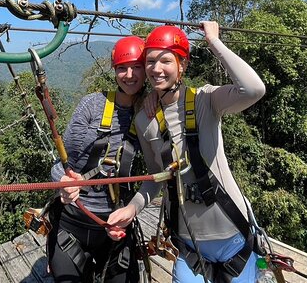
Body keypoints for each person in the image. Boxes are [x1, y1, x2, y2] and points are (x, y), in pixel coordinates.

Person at [107, 22, 266, 283]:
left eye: (166, 61)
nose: (156, 69)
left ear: (183, 65)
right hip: (189, 242)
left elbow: (253, 89)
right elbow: (155, 180)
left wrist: (214, 42)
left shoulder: (206, 100)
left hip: (232, 235)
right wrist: (133, 208)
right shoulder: (144, 121)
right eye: (150, 62)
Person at [48, 35, 148, 283]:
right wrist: (63, 183)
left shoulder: (150, 113)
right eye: (122, 68)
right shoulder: (92, 105)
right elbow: (63, 164)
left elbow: (158, 172)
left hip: (116, 224)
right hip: (73, 219)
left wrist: (130, 211)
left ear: (147, 70)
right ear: (114, 72)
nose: (129, 75)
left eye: (136, 67)